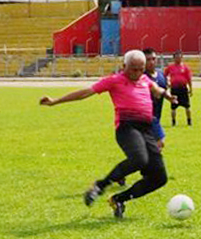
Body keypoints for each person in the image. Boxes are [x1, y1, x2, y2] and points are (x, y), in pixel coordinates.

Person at [39, 50, 175, 219]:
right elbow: (84, 93)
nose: (137, 73)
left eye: (141, 69)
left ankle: (118, 199)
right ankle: (100, 186)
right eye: (133, 69)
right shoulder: (114, 80)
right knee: (139, 159)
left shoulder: (144, 79)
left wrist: (167, 95)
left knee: (159, 178)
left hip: (147, 129)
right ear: (124, 66)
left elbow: (156, 89)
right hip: (127, 128)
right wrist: (55, 101)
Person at [142, 48, 167, 150]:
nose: (151, 62)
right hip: (146, 117)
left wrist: (170, 97)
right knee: (159, 142)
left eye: (153, 59)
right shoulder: (141, 77)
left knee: (151, 149)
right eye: (148, 60)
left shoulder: (161, 74)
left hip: (157, 116)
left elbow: (165, 89)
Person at [164, 51, 194, 126]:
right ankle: (173, 122)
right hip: (174, 89)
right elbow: (164, 75)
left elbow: (189, 78)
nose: (178, 59)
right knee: (173, 107)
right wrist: (167, 83)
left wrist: (191, 89)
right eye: (177, 57)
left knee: (187, 106)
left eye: (180, 57)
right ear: (174, 58)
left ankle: (189, 121)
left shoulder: (185, 67)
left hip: (183, 88)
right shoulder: (170, 67)